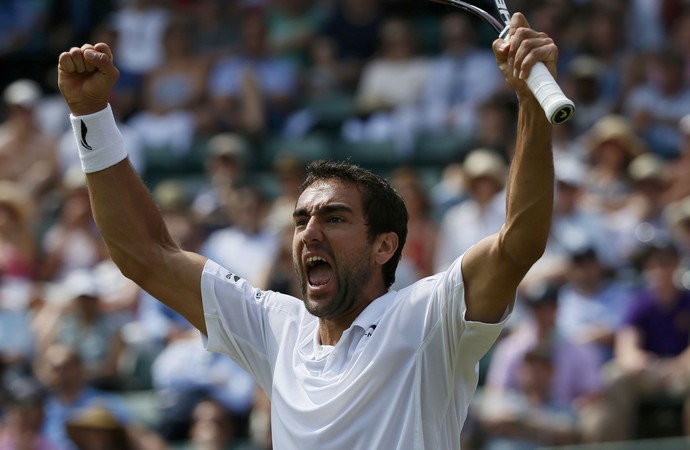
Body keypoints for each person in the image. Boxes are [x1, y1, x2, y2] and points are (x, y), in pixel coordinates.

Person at [56, 12, 557, 448]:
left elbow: (519, 243)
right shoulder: (276, 327)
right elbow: (144, 254)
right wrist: (92, 116)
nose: (309, 232)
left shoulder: (428, 318)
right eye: (301, 219)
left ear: (385, 245)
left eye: (333, 218)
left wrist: (530, 106)